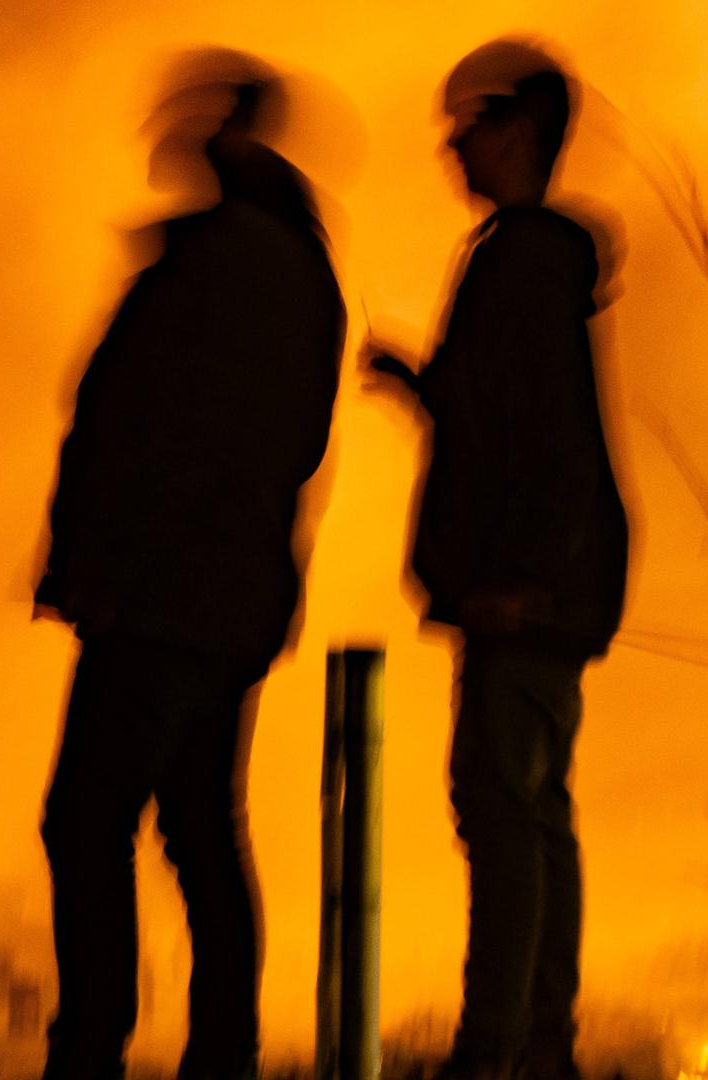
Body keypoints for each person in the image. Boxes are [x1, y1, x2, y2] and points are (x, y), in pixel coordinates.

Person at [35, 52, 344, 1080]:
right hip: (228, 593)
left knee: (88, 818)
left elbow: (146, 430)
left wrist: (100, 565)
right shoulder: (294, 266)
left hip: (163, 595)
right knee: (202, 826)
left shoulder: (219, 266)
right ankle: (224, 1051)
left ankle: (92, 1047)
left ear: (226, 132)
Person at [364, 40, 628, 1080]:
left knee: (501, 807)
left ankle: (499, 1050)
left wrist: (520, 578)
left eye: (464, 123)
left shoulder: (521, 258)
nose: (449, 147)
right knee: (532, 810)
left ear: (516, 130)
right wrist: (419, 383)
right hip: (544, 584)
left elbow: (542, 438)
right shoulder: (529, 262)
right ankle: (538, 1044)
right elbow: (499, 417)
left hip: (526, 590)